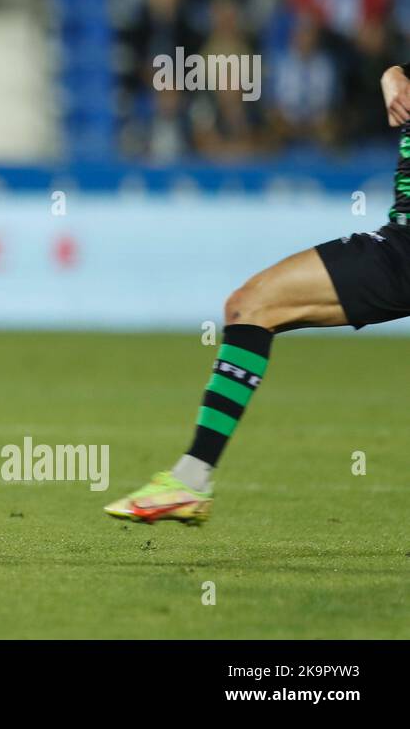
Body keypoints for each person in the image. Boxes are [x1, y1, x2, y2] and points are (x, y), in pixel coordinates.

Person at [106, 62, 410, 523]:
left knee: (251, 305)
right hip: (398, 250)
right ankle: (189, 479)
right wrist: (393, 77)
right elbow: (395, 72)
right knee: (249, 307)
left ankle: (190, 478)